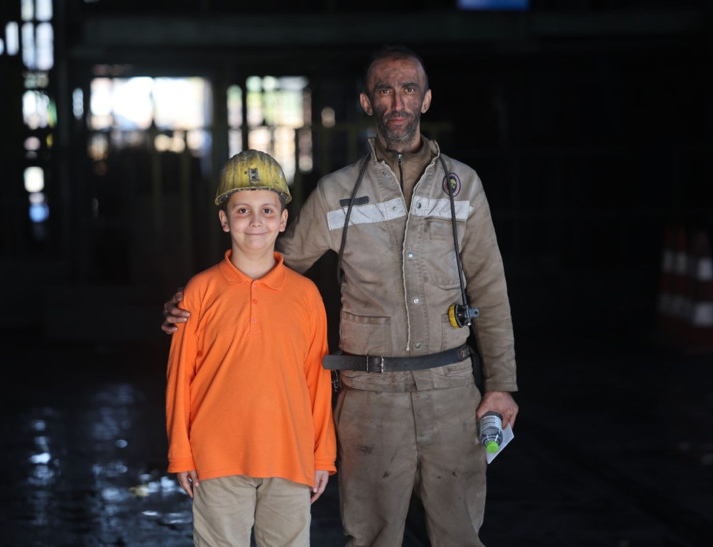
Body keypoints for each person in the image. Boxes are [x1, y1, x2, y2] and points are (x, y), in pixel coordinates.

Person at [164, 45, 518, 546]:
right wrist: (198, 300)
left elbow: (489, 285)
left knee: (459, 535)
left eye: (409, 89)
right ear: (367, 102)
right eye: (384, 90)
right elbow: (273, 261)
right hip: (371, 399)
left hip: (451, 391)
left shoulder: (463, 187)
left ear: (426, 99)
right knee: (371, 538)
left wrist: (500, 383)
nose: (397, 101)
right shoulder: (337, 193)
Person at [164, 149, 336, 547]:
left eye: (267, 211)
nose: (256, 221)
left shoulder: (306, 295)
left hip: (290, 456)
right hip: (216, 459)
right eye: (242, 211)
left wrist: (322, 455)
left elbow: (317, 380)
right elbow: (179, 380)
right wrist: (181, 454)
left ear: (283, 220)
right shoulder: (199, 291)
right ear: (224, 220)